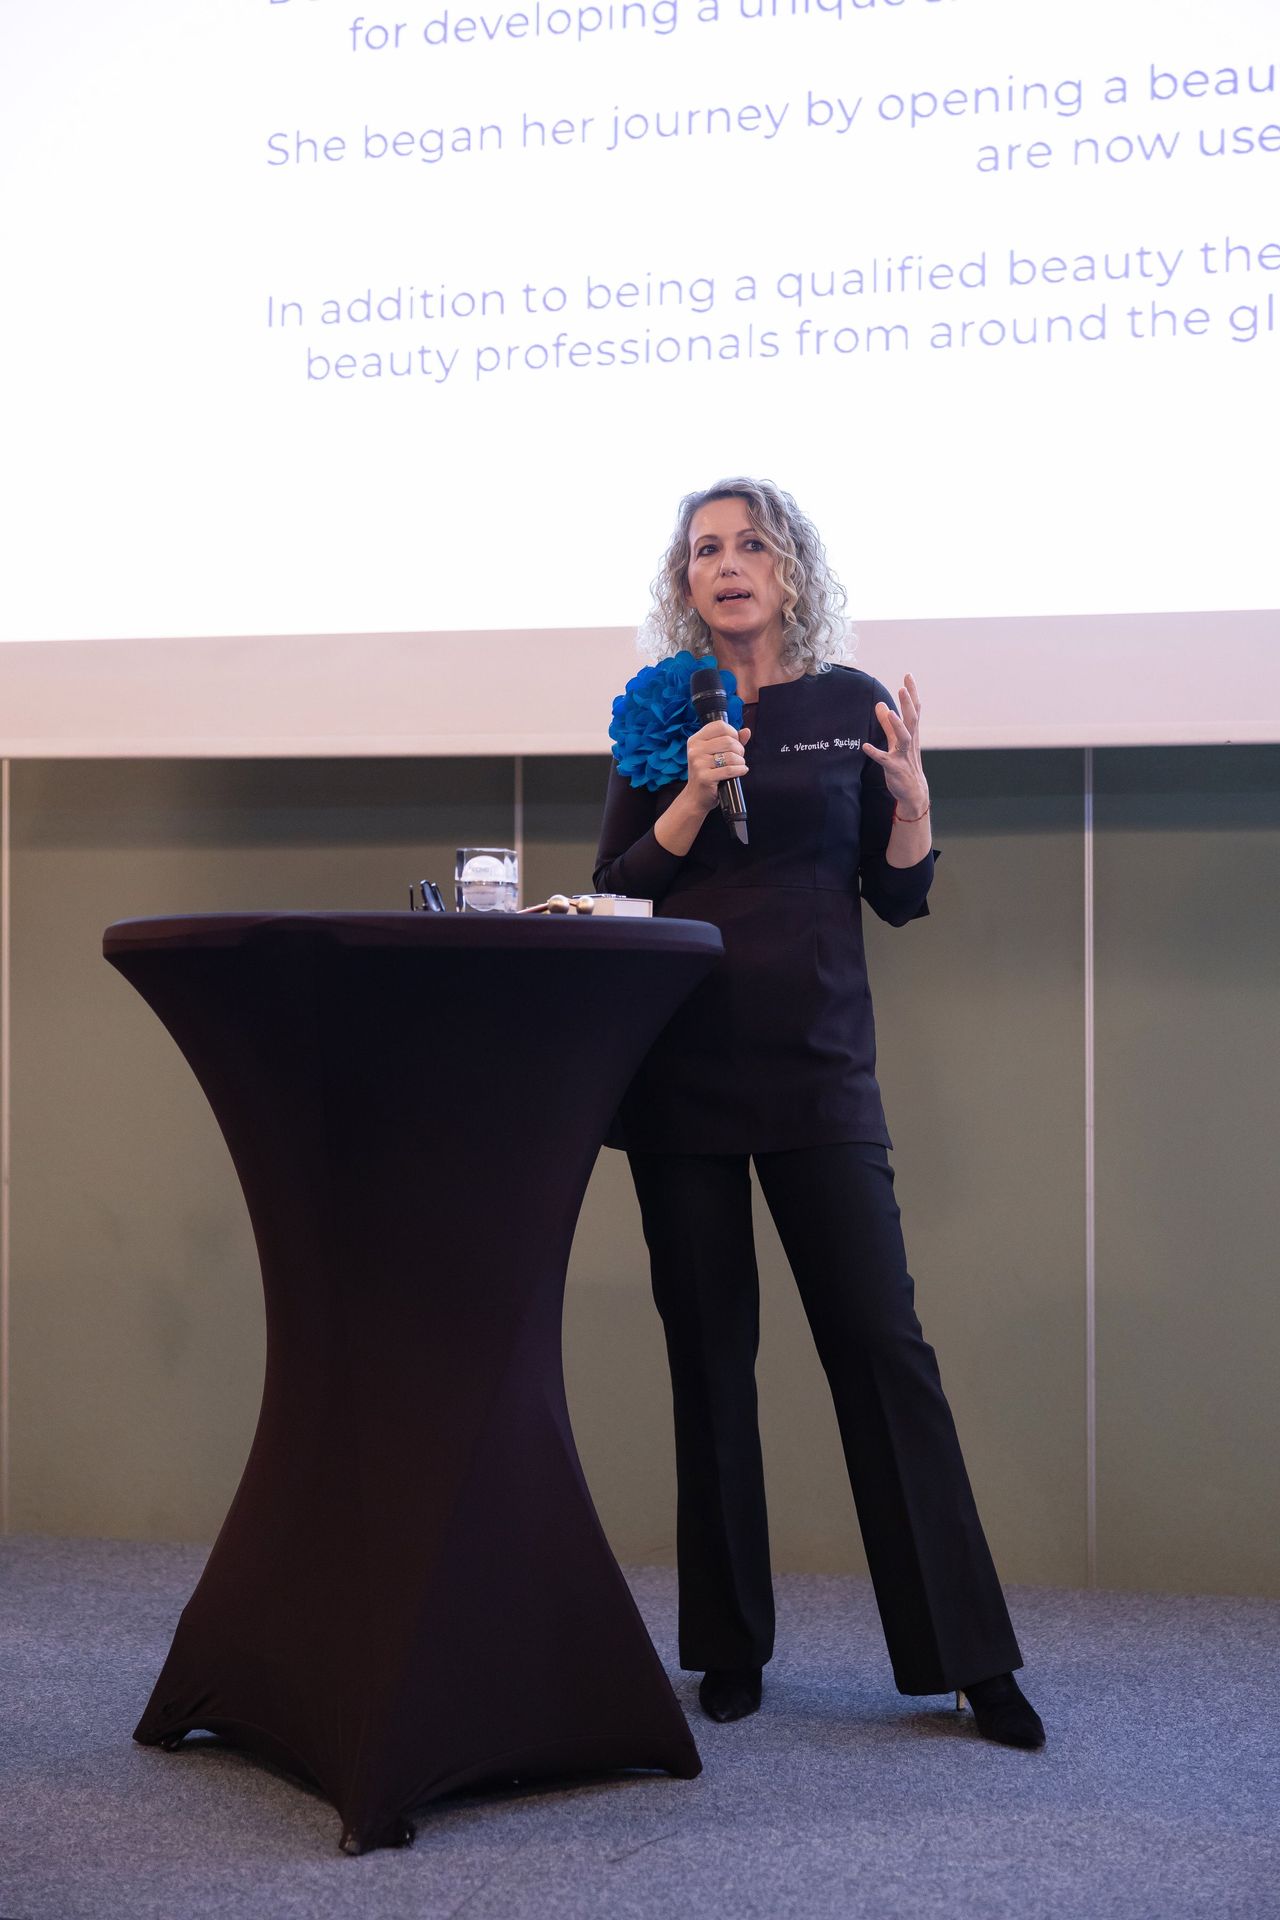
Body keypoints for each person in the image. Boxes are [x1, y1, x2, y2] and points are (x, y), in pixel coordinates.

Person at [593, 478, 1044, 1750]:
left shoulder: (848, 706)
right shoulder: (659, 709)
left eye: (751, 544)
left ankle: (968, 1658)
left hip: (815, 1067)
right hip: (678, 1071)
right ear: (684, 582)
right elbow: (619, 883)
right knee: (707, 1361)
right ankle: (728, 1648)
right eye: (705, 550)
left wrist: (913, 806)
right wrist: (691, 790)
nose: (728, 564)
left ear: (789, 569)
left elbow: (897, 896)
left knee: (881, 1349)